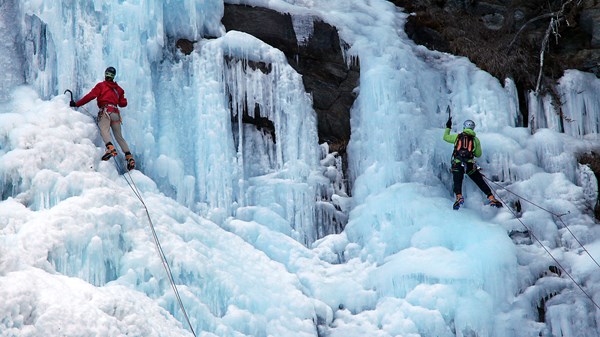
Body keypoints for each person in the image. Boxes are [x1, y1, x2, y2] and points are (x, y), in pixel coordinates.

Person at [70, 66, 135, 171]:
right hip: (115, 113)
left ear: (105, 74)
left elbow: (90, 96)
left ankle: (110, 148)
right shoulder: (119, 89)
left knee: (104, 130)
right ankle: (129, 157)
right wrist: (122, 99)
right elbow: (123, 103)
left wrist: (77, 103)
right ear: (113, 76)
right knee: (119, 137)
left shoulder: (101, 86)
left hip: (105, 111)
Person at [443, 117, 502, 209]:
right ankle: (491, 197)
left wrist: (448, 127)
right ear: (473, 128)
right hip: (469, 165)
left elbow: (445, 137)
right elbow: (478, 154)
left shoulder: (457, 137)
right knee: (479, 181)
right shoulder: (475, 140)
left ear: (464, 127)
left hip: (458, 164)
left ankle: (459, 197)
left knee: (457, 180)